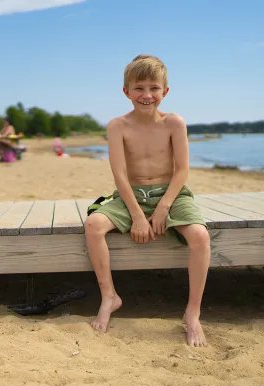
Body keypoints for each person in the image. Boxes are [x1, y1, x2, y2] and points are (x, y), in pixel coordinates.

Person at [84, 55, 210, 347]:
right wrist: (138, 216)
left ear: (165, 92)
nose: (146, 95)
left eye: (154, 88)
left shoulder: (174, 123)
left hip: (171, 193)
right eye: (139, 88)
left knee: (200, 236)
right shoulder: (117, 126)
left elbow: (182, 170)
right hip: (132, 194)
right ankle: (109, 296)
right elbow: (119, 174)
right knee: (93, 224)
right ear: (126, 91)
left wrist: (164, 205)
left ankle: (192, 313)